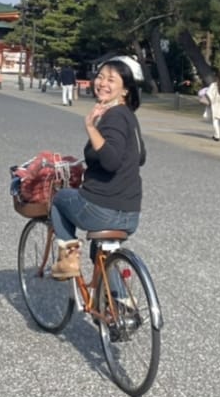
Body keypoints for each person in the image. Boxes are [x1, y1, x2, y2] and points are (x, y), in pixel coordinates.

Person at [49, 57, 148, 280]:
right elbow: (140, 157)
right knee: (102, 253)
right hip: (130, 213)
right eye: (100, 77)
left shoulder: (113, 116)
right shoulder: (129, 116)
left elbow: (111, 161)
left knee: (60, 198)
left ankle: (68, 260)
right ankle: (120, 303)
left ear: (125, 90)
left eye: (111, 80)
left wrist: (90, 126)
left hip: (102, 210)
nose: (102, 83)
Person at [201, 77, 220, 141]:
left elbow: (209, 94)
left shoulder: (214, 85)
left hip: (215, 104)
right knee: (217, 120)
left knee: (215, 120)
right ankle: (216, 134)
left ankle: (217, 136)